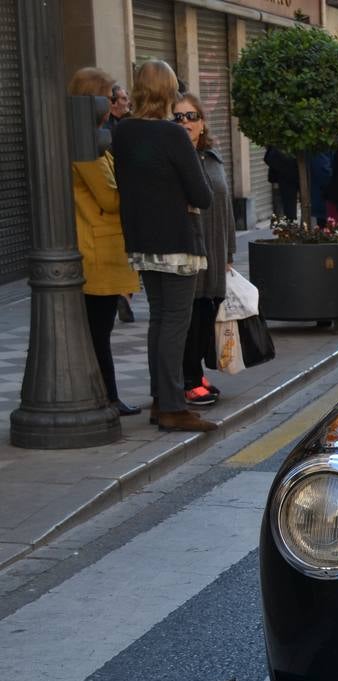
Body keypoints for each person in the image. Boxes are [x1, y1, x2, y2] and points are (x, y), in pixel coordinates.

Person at [112, 58, 216, 433]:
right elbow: (202, 195)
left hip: (141, 239)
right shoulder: (172, 134)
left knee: (158, 320)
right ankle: (173, 406)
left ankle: (161, 400)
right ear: (166, 90)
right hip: (176, 239)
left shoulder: (123, 131)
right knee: (175, 323)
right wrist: (181, 195)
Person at [68, 67, 140, 417]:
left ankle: (107, 396)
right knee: (98, 332)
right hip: (96, 252)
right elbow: (110, 198)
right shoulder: (86, 145)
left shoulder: (95, 138)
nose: (114, 102)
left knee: (101, 330)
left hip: (104, 249)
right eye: (109, 95)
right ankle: (106, 397)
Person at [173, 91, 234, 408]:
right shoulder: (175, 158)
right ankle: (189, 379)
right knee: (192, 315)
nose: (185, 123)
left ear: (202, 122)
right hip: (190, 248)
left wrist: (229, 252)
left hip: (216, 247)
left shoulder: (212, 156)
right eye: (178, 117)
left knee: (209, 312)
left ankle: (196, 374)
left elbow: (224, 206)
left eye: (191, 117)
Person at [263, 146, 300, 221]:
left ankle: (286, 223)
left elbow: (268, 158)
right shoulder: (281, 149)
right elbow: (268, 158)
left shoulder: (280, 148)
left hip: (285, 181)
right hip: (285, 181)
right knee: (287, 210)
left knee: (286, 209)